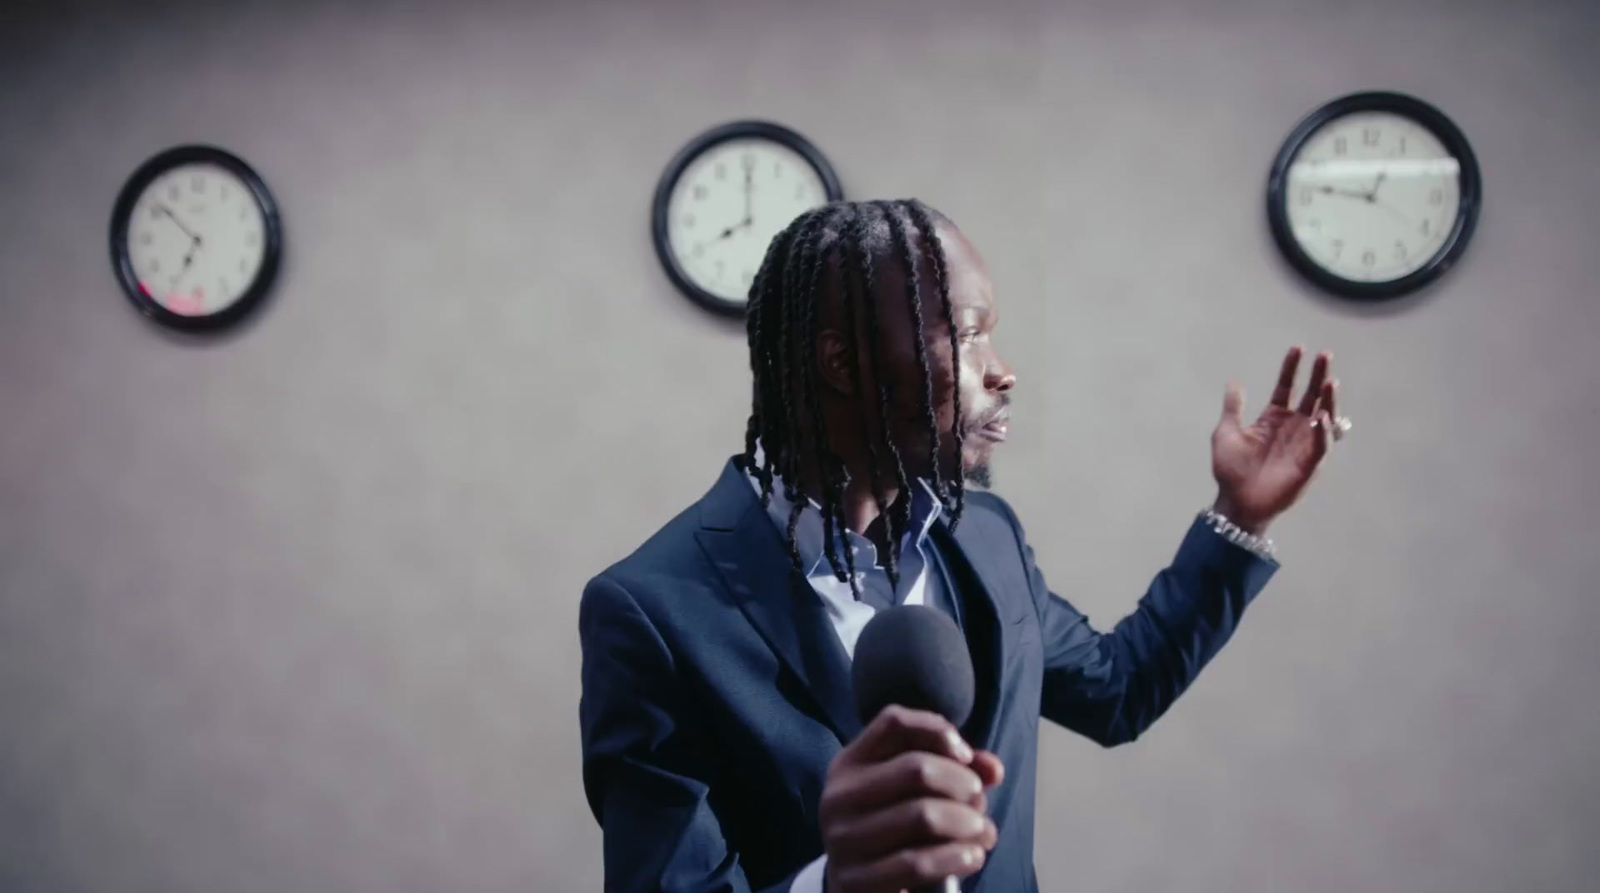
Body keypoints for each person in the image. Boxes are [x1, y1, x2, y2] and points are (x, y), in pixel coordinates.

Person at [578, 199, 1347, 892]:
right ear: (841, 361)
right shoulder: (651, 611)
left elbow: (1118, 690)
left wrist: (1239, 515)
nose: (1003, 371)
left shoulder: (987, 535)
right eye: (970, 333)